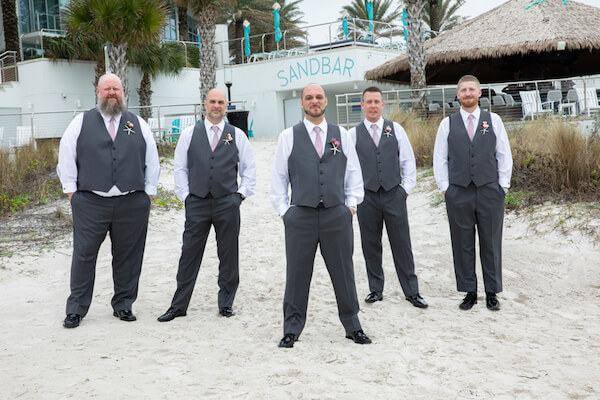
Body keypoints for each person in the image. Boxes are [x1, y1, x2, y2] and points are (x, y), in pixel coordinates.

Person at [270, 83, 371, 348]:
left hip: (336, 215)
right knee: (297, 274)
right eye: (309, 98)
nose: (314, 101)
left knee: (344, 272)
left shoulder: (342, 135)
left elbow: (354, 174)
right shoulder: (288, 137)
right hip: (300, 216)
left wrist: (350, 207)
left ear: (325, 102)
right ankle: (291, 329)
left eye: (318, 97)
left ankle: (352, 326)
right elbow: (279, 178)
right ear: (301, 103)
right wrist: (284, 212)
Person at [57, 73, 160, 328]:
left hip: (131, 201)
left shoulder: (138, 123)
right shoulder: (80, 123)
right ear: (98, 92)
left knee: (128, 255)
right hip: (91, 201)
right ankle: (76, 309)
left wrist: (148, 192)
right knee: (84, 254)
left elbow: (152, 158)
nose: (111, 92)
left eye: (116, 88)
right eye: (107, 89)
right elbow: (66, 156)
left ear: (123, 92)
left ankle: (123, 304)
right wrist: (72, 192)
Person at [157, 88, 256, 322]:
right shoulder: (190, 133)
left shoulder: (237, 135)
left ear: (226, 105)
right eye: (212, 101)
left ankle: (226, 303)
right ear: (205, 104)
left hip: (227, 202)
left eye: (221, 102)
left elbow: (249, 169)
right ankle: (179, 305)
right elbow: (180, 167)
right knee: (189, 253)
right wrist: (186, 197)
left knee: (229, 254)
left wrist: (239, 196)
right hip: (197, 203)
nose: (216, 106)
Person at [433, 75, 513, 311]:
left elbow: (503, 154)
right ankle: (469, 291)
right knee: (462, 242)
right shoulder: (447, 124)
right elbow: (440, 159)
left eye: (471, 89)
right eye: (463, 90)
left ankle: (491, 292)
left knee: (490, 241)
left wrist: (503, 186)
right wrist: (445, 188)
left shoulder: (494, 120)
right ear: (457, 95)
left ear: (479, 93)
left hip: (489, 190)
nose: (467, 93)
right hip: (458, 191)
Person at [348, 86, 427, 309]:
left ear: (383, 105)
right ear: (362, 105)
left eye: (376, 101)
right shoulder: (352, 134)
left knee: (402, 244)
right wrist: (355, 196)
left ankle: (412, 291)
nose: (373, 105)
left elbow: (408, 162)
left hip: (394, 194)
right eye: (368, 102)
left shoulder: (396, 129)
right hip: (367, 198)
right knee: (370, 245)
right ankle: (376, 289)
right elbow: (349, 169)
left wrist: (404, 190)